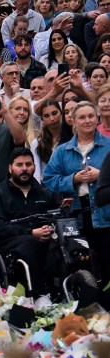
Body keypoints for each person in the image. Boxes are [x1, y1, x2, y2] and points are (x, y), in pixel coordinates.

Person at [43, 102, 110, 275]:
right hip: (76, 214)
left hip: (105, 213)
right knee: (82, 267)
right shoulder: (62, 151)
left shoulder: (109, 145)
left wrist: (101, 174)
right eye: (82, 117)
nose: (87, 120)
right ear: (73, 121)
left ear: (97, 119)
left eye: (91, 116)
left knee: (106, 262)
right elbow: (48, 179)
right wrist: (73, 179)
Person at [0, 147, 61, 289]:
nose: (24, 169)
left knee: (66, 242)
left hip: (44, 238)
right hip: (8, 243)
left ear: (34, 167)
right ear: (10, 168)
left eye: (28, 164)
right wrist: (31, 233)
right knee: (32, 243)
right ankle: (39, 292)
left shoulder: (44, 193)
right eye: (19, 165)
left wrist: (50, 228)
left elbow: (59, 213)